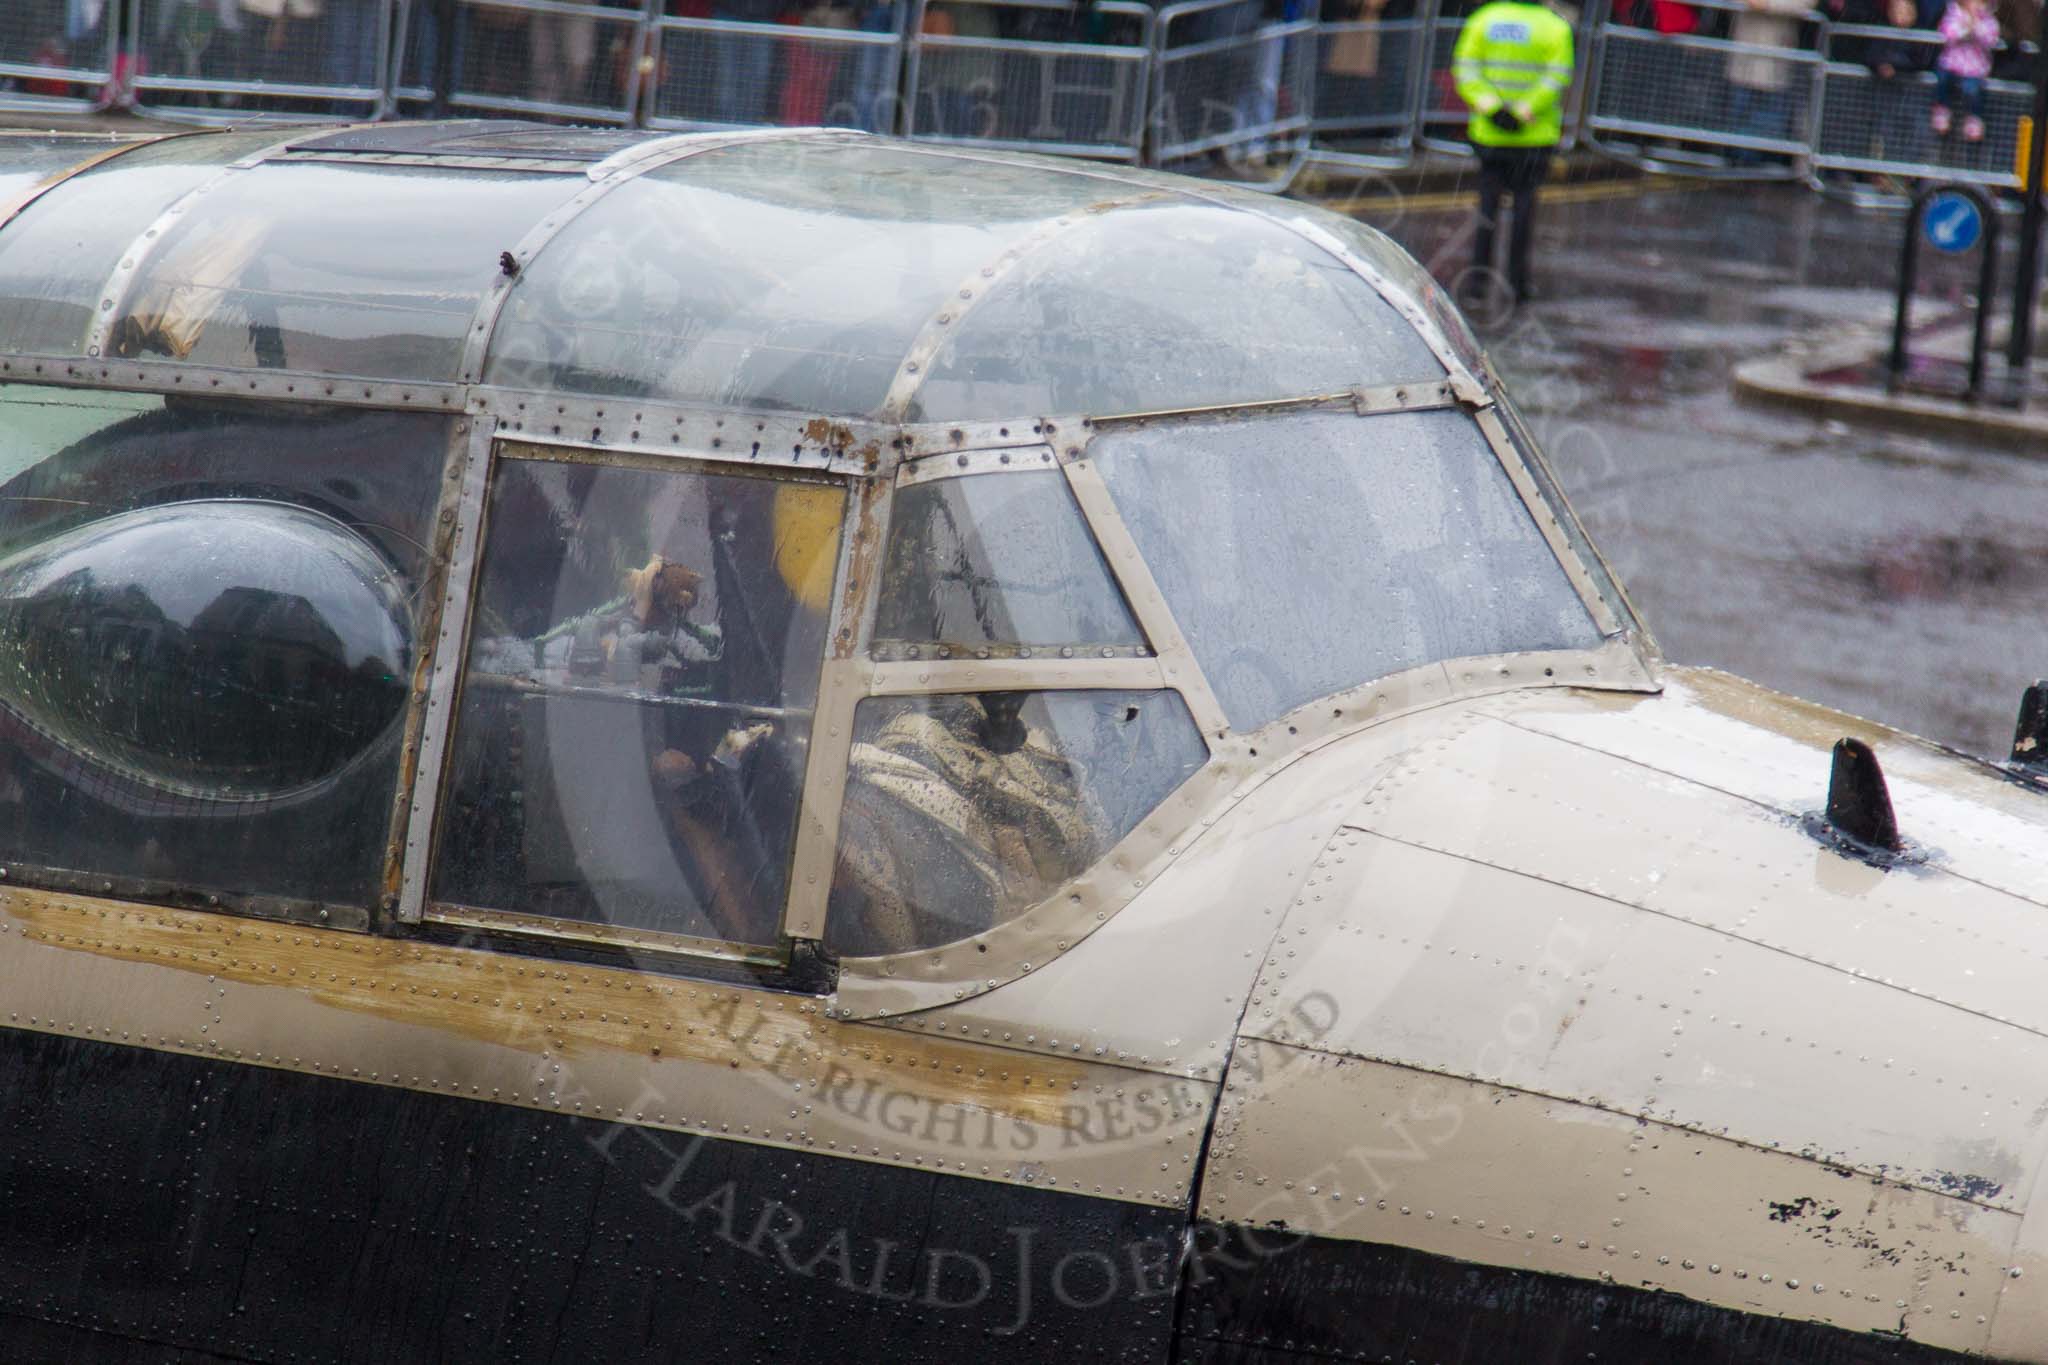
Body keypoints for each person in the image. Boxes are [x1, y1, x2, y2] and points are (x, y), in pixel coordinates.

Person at [1451, 0, 1574, 306]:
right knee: (1524, 208)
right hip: (1533, 135)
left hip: (1490, 133)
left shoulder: (1484, 18)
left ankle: (1477, 283)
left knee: (1487, 209)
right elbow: (1557, 76)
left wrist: (1491, 107)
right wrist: (1524, 110)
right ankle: (1518, 283)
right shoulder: (1554, 25)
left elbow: (1466, 68)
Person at [1930, 0, 1999, 140]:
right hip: (1951, 64)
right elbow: (1946, 33)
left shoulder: (1988, 20)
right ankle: (1942, 110)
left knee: (1972, 89)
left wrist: (1976, 28)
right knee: (1942, 80)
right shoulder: (1953, 14)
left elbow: (1991, 39)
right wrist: (1964, 29)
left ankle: (1974, 118)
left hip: (1974, 69)